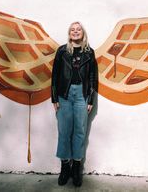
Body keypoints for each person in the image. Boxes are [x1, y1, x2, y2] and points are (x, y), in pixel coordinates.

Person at [51, 21, 98, 187]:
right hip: (64, 94)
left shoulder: (89, 52)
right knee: (64, 131)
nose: (75, 32)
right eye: (72, 29)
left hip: (82, 95)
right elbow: (55, 75)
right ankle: (65, 167)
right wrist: (54, 98)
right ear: (69, 33)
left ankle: (76, 167)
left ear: (82, 33)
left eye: (78, 29)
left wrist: (90, 99)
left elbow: (93, 76)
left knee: (79, 131)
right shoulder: (62, 51)